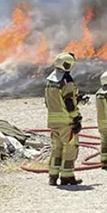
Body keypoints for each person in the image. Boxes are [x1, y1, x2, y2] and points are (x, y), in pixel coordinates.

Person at [45, 53, 85, 186]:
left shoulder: (50, 81)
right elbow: (69, 103)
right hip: (66, 122)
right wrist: (76, 118)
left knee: (56, 149)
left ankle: (53, 177)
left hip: (53, 121)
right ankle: (67, 177)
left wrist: (76, 98)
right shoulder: (66, 81)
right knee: (70, 148)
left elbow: (50, 101)